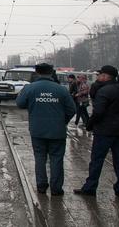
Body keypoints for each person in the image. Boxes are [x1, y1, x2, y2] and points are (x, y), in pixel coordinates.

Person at [16, 63, 76, 196]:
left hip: (37, 130)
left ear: (37, 73)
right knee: (57, 158)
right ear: (51, 73)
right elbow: (72, 109)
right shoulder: (61, 89)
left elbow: (20, 103)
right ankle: (56, 188)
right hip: (57, 130)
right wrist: (62, 121)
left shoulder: (30, 88)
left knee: (40, 157)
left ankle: (41, 185)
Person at [74, 65, 119, 198]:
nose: (98, 77)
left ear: (105, 76)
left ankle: (90, 187)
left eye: (99, 75)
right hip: (118, 130)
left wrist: (90, 124)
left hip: (103, 131)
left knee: (97, 160)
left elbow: (98, 111)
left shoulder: (104, 91)